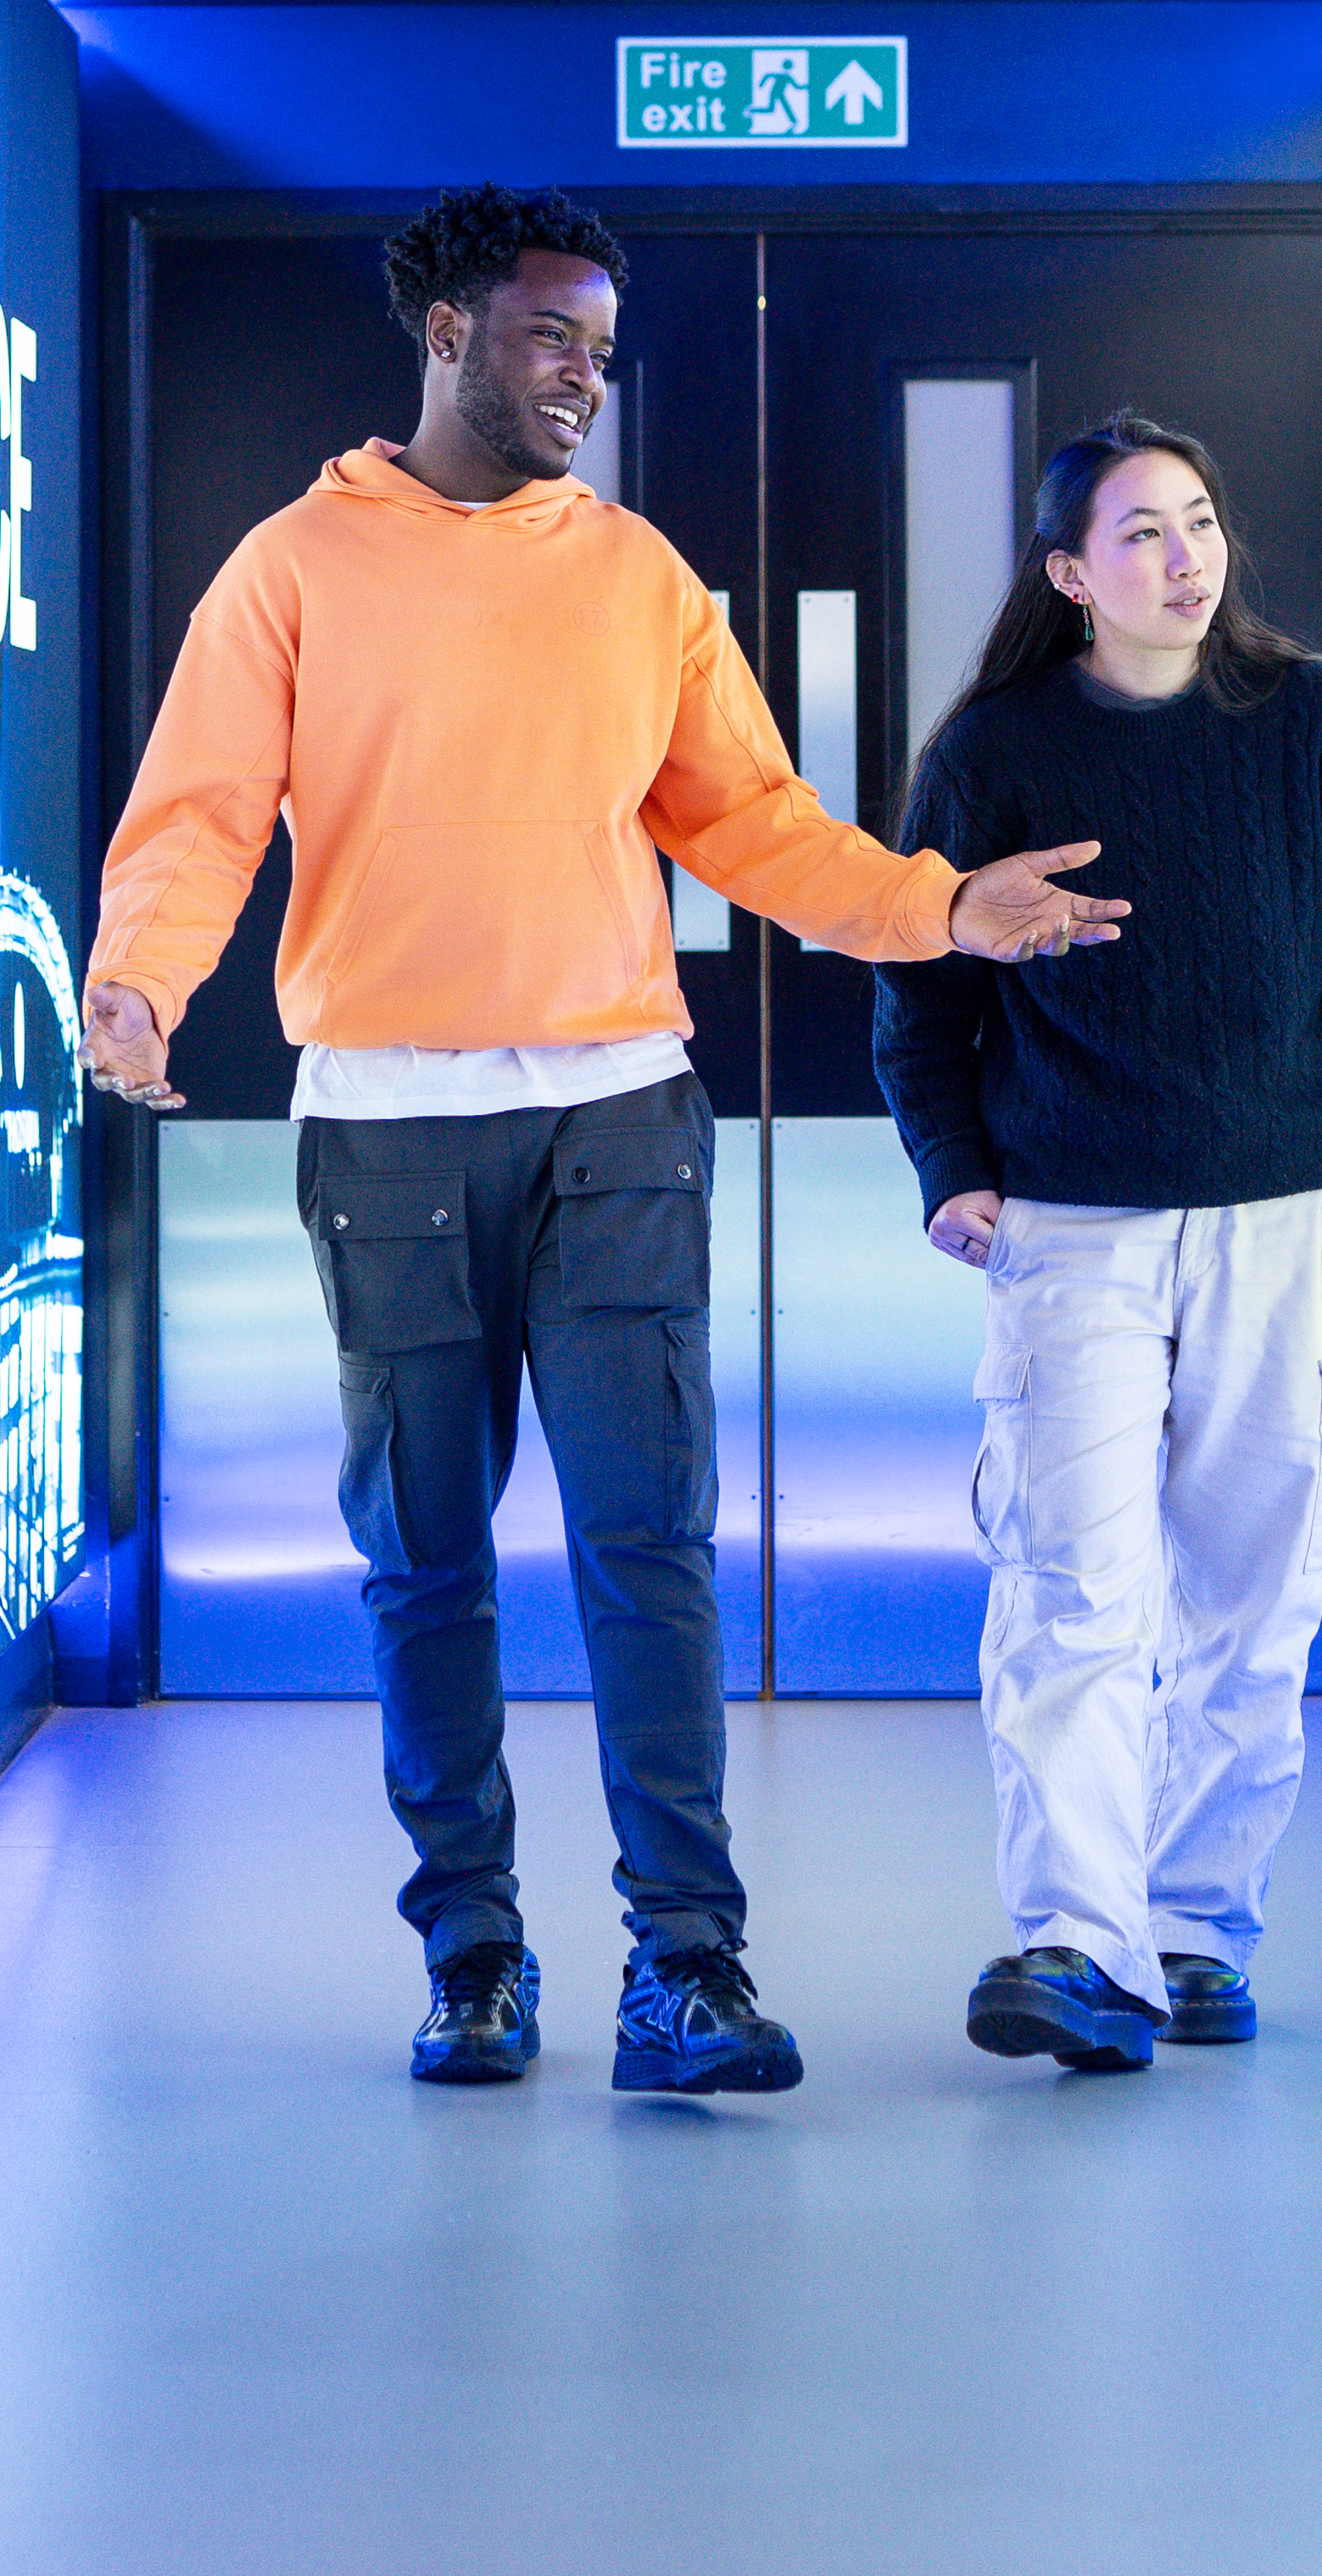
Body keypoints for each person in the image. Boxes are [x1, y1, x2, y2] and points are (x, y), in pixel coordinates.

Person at [86, 187, 1124, 2094]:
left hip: (619, 1119)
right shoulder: (290, 568)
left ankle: (687, 1970)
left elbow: (750, 821)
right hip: (386, 1127)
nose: (588, 373)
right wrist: (140, 981)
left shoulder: (639, 577)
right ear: (449, 334)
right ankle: (471, 1954)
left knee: (647, 1544)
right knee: (420, 1557)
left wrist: (932, 907)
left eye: (604, 345)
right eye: (554, 335)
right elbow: (201, 809)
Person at [873, 413, 1322, 2072]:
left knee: (1251, 1600)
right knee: (1071, 1586)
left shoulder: (1313, 725)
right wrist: (951, 1163)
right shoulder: (989, 750)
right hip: (1070, 1234)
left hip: (1283, 1228)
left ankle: (1195, 1925)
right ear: (1066, 575)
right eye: (1137, 534)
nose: (1181, 558)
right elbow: (919, 991)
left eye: (1196, 522)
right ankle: (1074, 1940)